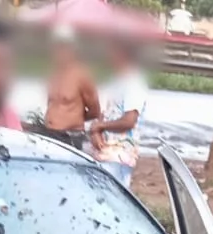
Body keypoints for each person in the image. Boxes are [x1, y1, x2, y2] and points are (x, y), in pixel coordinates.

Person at [85, 38, 148, 188]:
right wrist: (95, 132)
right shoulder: (116, 81)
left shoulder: (134, 84)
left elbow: (129, 121)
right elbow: (103, 115)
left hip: (119, 157)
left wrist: (99, 127)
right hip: (104, 154)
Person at [43, 27, 100, 150]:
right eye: (57, 47)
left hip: (70, 137)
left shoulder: (82, 75)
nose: (60, 51)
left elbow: (95, 110)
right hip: (49, 134)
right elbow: (52, 104)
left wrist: (74, 119)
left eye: (64, 47)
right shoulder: (53, 74)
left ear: (73, 48)